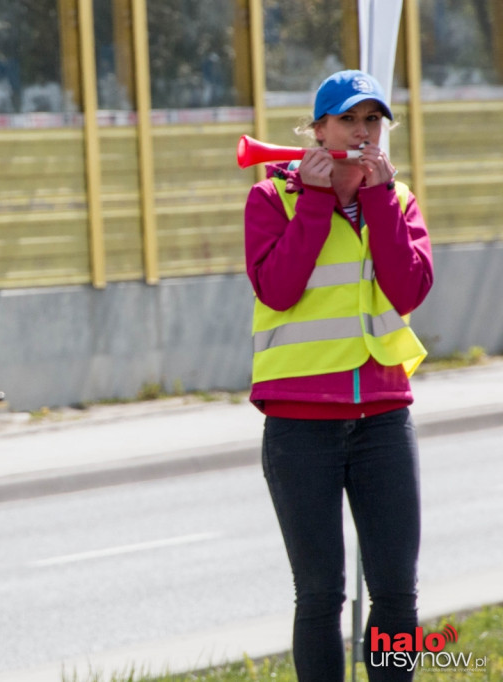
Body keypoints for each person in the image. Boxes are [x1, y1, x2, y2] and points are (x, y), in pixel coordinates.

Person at [244, 70, 433, 682]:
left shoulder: (399, 202)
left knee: (397, 597)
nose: (360, 132)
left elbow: (409, 286)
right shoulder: (272, 199)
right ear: (318, 131)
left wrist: (378, 200)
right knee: (321, 595)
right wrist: (319, 204)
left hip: (382, 419)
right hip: (300, 428)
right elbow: (278, 288)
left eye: (372, 120)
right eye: (348, 120)